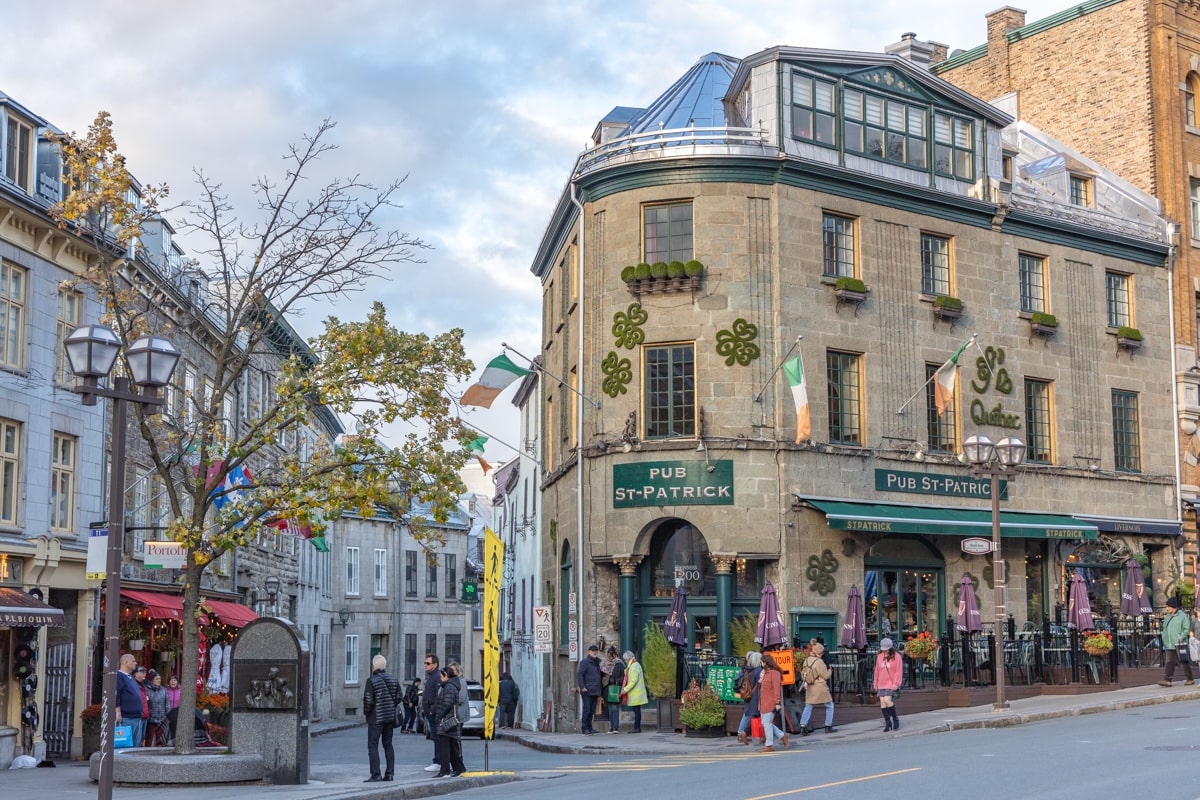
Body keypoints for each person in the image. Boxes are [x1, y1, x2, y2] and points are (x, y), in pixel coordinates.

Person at [362, 654, 402, 782]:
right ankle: (390, 774)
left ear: (373, 666)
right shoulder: (392, 678)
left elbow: (368, 700)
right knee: (388, 744)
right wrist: (391, 705)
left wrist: (366, 712)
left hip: (376, 718)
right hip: (389, 718)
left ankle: (376, 774)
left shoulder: (371, 680)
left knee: (373, 745)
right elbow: (399, 696)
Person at [799, 641, 837, 735]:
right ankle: (828, 726)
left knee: (808, 706)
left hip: (810, 687)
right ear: (820, 653)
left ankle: (803, 726)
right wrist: (830, 671)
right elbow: (825, 676)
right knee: (829, 705)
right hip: (819, 686)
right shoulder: (819, 662)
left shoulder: (807, 660)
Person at [434, 668, 466, 778]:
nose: (440, 678)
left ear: (446, 675)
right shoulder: (451, 686)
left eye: (441, 676)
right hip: (450, 721)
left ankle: (445, 771)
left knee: (445, 747)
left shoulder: (449, 687)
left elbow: (446, 704)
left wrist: (438, 716)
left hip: (446, 722)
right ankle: (459, 768)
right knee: (452, 747)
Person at [1159, 597, 1195, 687]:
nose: (1167, 609)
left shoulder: (1182, 616)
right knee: (1169, 661)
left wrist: (1181, 637)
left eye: (1168, 607)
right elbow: (1165, 628)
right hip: (1169, 643)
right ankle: (1167, 680)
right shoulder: (1167, 616)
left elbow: (1186, 628)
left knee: (1184, 661)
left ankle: (1190, 678)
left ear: (1174, 607)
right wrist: (1164, 636)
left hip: (1180, 643)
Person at [758, 653, 789, 752]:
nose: (761, 664)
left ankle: (769, 744)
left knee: (767, 723)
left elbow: (776, 689)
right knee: (765, 723)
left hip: (770, 702)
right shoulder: (765, 673)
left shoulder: (774, 673)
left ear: (766, 663)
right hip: (763, 702)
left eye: (762, 662)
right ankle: (782, 735)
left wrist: (777, 702)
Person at [872, 637, 904, 731]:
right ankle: (887, 722)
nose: (884, 651)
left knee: (887, 700)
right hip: (881, 682)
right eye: (883, 649)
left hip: (891, 682)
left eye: (886, 650)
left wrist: (896, 683)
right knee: (882, 703)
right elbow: (877, 670)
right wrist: (875, 682)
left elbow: (899, 671)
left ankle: (895, 718)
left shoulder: (897, 657)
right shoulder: (880, 656)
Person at [115, 655, 145, 748]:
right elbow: (117, 694)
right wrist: (118, 712)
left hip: (137, 717)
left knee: (136, 746)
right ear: (125, 662)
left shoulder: (131, 678)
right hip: (126, 718)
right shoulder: (119, 676)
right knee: (125, 745)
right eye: (133, 661)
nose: (135, 663)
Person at [420, 654, 442, 773]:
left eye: (428, 663)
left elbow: (437, 696)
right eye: (425, 663)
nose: (425, 665)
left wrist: (432, 710)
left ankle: (438, 761)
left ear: (435, 664)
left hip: (434, 713)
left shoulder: (437, 677)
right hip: (430, 712)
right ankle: (438, 760)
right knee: (435, 737)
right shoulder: (431, 677)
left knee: (437, 737)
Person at [735, 651, 762, 745]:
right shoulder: (758, 670)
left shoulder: (747, 670)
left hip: (748, 695)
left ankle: (743, 733)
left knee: (750, 715)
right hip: (755, 696)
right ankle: (742, 733)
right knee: (752, 716)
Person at [576, 644, 602, 734]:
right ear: (589, 652)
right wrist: (582, 686)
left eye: (596, 651)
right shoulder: (585, 662)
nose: (594, 652)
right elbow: (580, 675)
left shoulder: (597, 662)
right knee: (587, 709)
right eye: (592, 651)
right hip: (587, 690)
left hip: (595, 690)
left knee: (592, 710)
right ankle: (585, 728)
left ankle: (590, 727)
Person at [620, 650, 648, 733]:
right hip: (636, 693)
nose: (625, 661)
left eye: (625, 659)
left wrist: (624, 690)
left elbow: (633, 681)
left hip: (636, 693)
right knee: (636, 711)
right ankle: (636, 727)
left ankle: (637, 727)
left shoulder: (634, 666)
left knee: (637, 711)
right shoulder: (633, 665)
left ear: (628, 659)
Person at [145, 669, 170, 746]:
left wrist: (168, 715)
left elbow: (167, 704)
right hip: (151, 718)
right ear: (152, 680)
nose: (159, 680)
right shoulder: (147, 690)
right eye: (157, 679)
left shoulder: (163, 690)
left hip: (162, 718)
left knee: (160, 738)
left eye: (159, 679)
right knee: (150, 737)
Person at [605, 647, 624, 734]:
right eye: (608, 656)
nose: (610, 658)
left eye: (611, 656)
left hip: (615, 687)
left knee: (614, 708)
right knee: (609, 708)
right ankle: (611, 726)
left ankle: (615, 727)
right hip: (607, 688)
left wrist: (617, 681)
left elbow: (622, 677)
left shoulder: (619, 664)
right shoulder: (605, 664)